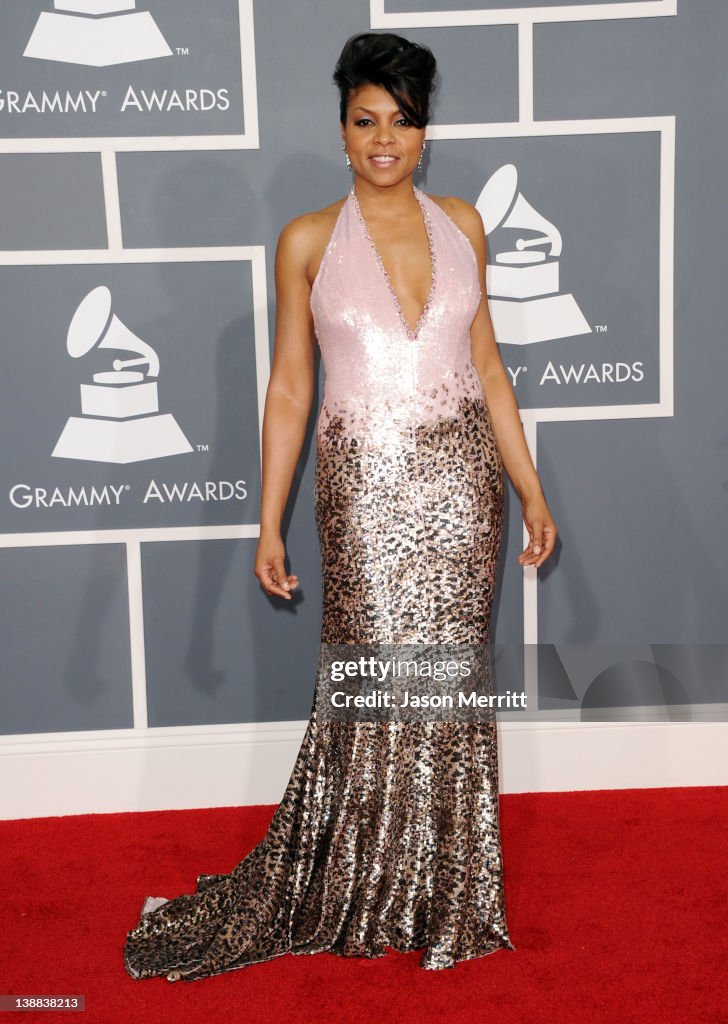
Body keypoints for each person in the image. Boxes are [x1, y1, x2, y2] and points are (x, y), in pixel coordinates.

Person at [123, 31, 557, 983]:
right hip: (361, 491)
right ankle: (359, 881)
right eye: (367, 121)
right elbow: (288, 389)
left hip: (461, 489)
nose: (384, 139)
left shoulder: (463, 225)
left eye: (402, 121)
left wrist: (529, 488)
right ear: (342, 129)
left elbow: (487, 368)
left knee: (446, 683)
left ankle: (445, 891)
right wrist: (268, 519)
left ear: (425, 130)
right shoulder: (310, 241)